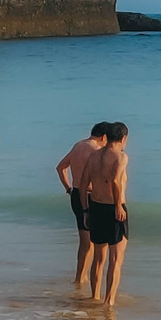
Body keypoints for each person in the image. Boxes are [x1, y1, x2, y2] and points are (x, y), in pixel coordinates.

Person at [81, 121, 132, 305]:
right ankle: (109, 301)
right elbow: (116, 181)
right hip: (113, 208)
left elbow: (83, 184)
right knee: (115, 259)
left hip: (96, 207)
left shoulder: (93, 156)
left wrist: (85, 210)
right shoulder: (121, 156)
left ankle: (95, 296)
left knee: (98, 258)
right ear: (123, 138)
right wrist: (118, 206)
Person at [56, 121, 107, 294]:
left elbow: (60, 167)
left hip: (76, 194)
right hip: (91, 196)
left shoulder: (78, 145)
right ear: (104, 137)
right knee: (92, 243)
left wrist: (68, 188)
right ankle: (84, 280)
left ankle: (80, 277)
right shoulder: (97, 150)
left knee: (84, 241)